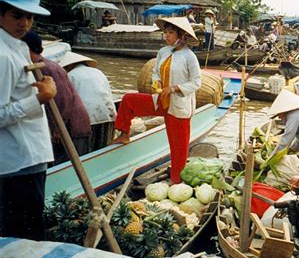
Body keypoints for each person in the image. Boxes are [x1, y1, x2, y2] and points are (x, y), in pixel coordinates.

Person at [111, 17, 201, 183]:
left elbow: (196, 82)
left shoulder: (189, 57)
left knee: (178, 149)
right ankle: (124, 133)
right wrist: (156, 82)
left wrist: (173, 89)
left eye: (171, 33)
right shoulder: (163, 52)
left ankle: (177, 182)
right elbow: (156, 72)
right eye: (165, 32)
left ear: (181, 35)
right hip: (160, 100)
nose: (166, 36)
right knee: (129, 99)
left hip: (178, 105)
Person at [0, 0, 56, 240]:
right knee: (24, 240)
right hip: (18, 161)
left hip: (28, 158)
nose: (24, 23)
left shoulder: (18, 47)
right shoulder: (2, 55)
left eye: (29, 17)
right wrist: (39, 99)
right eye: (16, 15)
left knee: (27, 235)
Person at [22, 31, 91, 165]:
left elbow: (63, 99)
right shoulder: (38, 66)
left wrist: (59, 128)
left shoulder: (47, 68)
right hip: (62, 125)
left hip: (70, 126)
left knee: (68, 167)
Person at [60, 52, 116, 151]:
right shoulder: (98, 72)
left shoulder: (70, 75)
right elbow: (108, 93)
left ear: (69, 65)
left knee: (85, 149)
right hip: (107, 113)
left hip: (86, 116)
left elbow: (67, 101)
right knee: (102, 146)